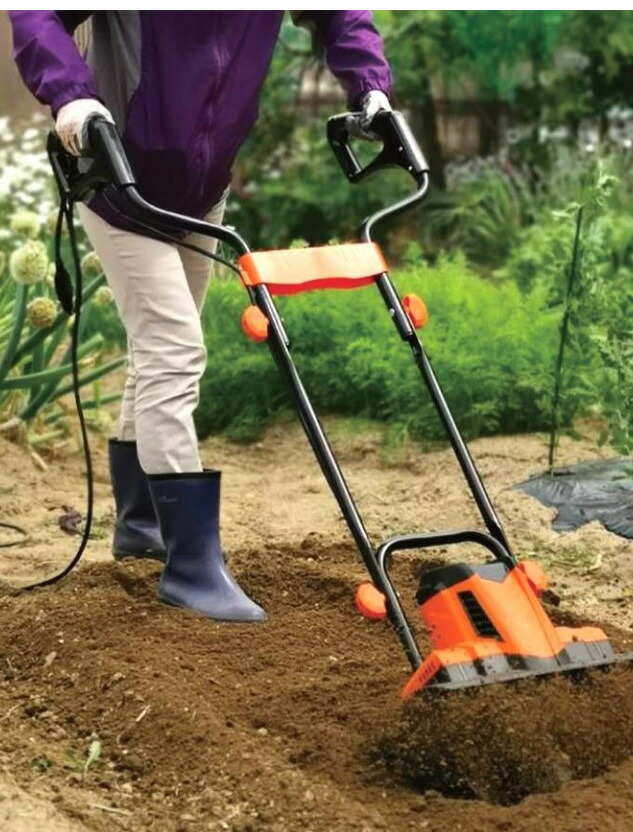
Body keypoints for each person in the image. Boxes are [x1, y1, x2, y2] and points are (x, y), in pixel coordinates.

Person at [9, 11, 393, 623]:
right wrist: (72, 99)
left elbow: (339, 15)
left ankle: (140, 525)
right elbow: (35, 16)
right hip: (118, 181)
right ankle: (190, 566)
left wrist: (370, 88)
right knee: (174, 351)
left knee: (156, 353)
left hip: (200, 190)